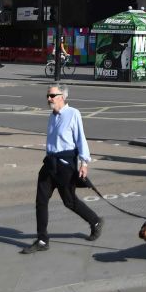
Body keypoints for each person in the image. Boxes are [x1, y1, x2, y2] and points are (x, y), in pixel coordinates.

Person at [21, 83, 103, 253]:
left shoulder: (73, 114)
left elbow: (81, 139)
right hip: (50, 164)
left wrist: (84, 163)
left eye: (52, 96)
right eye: (47, 96)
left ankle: (95, 221)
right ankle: (42, 240)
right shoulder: (52, 116)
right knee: (41, 201)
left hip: (65, 166)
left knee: (69, 201)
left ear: (62, 97)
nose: (48, 99)